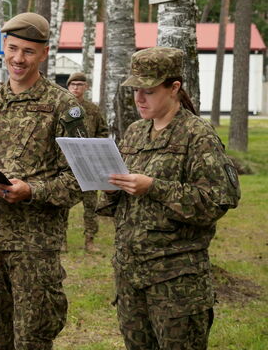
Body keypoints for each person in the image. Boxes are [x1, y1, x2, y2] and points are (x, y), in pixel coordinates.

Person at [0, 12, 87, 350]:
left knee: (32, 340)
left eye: (29, 52)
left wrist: (33, 191)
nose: (18, 59)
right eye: (13, 49)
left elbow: (82, 178)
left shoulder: (64, 107)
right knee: (1, 339)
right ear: (3, 48)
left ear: (45, 53)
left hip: (35, 248)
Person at [96, 47, 241, 350]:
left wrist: (154, 187)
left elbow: (218, 199)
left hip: (176, 280)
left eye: (148, 91)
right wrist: (111, 191)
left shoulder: (196, 134)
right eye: (136, 90)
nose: (139, 98)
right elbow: (122, 202)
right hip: (131, 274)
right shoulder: (135, 132)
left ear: (174, 88)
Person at [63, 72, 109, 253]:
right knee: (63, 202)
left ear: (86, 87)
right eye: (73, 84)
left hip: (89, 163)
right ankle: (61, 239)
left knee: (91, 203)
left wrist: (94, 146)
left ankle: (90, 239)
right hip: (67, 163)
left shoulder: (93, 110)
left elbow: (103, 131)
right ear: (68, 87)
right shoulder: (62, 108)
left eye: (80, 84)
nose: (76, 88)